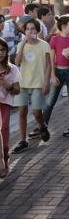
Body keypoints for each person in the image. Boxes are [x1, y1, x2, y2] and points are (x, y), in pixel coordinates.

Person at [12, 19, 51, 153]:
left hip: (37, 83)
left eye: (33, 29)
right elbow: (17, 62)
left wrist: (46, 81)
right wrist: (23, 44)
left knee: (36, 112)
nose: (30, 31)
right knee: (22, 111)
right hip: (22, 83)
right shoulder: (21, 45)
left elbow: (48, 64)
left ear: (37, 30)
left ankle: (42, 126)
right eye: (27, 29)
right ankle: (23, 140)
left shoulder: (44, 45)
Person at [43, 15, 69, 137]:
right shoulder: (55, 40)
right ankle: (42, 126)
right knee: (50, 101)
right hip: (58, 72)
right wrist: (52, 76)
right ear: (64, 26)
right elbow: (51, 59)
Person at [0, 37, 21, 177]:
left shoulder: (12, 69)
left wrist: (7, 85)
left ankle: (5, 158)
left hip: (5, 103)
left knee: (4, 131)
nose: (0, 53)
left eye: (2, 50)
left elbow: (17, 90)